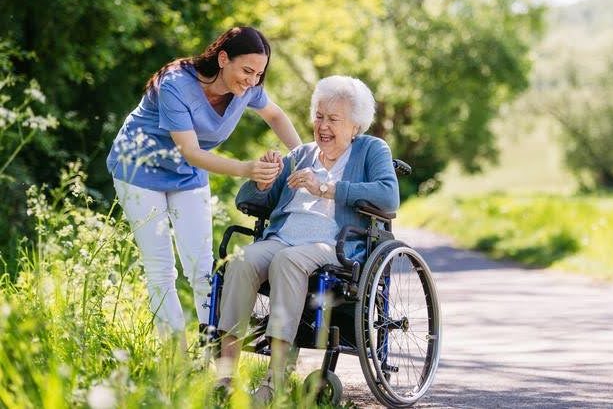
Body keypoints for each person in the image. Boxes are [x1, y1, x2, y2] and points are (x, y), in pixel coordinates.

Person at [106, 26, 301, 347]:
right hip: (139, 169)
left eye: (259, 74)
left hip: (186, 175)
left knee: (201, 268)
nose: (252, 81)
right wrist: (246, 168)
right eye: (247, 71)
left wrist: (305, 156)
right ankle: (175, 355)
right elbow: (192, 152)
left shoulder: (249, 89)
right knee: (161, 269)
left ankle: (213, 349)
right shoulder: (176, 85)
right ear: (223, 59)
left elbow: (276, 116)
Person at [216, 75, 399, 399]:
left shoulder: (371, 149)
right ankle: (225, 378)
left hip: (334, 244)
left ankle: (275, 381)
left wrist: (326, 188)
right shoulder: (301, 154)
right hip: (282, 237)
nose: (323, 126)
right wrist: (263, 180)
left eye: (333, 119)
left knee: (289, 261)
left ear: (355, 126)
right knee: (241, 261)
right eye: (319, 116)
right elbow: (249, 201)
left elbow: (388, 197)